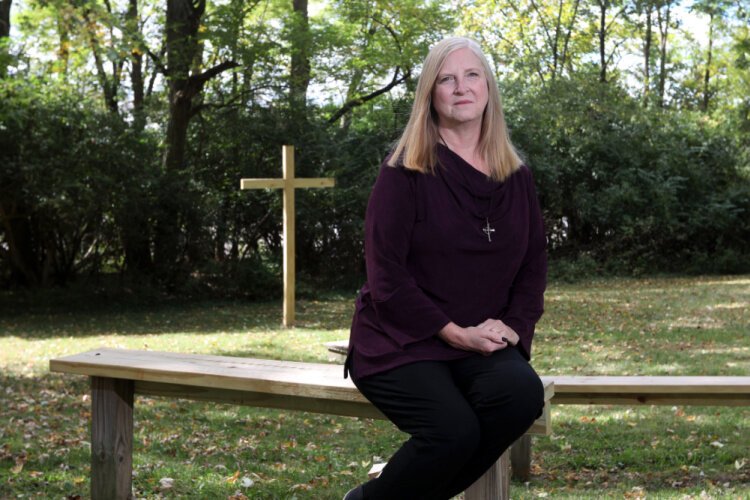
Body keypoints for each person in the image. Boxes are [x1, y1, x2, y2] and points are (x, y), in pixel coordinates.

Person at [343, 36, 547, 500]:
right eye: (447, 79)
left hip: (482, 341)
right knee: (453, 431)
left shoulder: (516, 176)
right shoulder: (404, 171)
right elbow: (386, 275)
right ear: (430, 95)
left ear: (489, 89)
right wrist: (453, 332)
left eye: (472, 75)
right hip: (402, 338)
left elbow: (534, 262)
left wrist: (514, 326)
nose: (461, 87)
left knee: (520, 397)